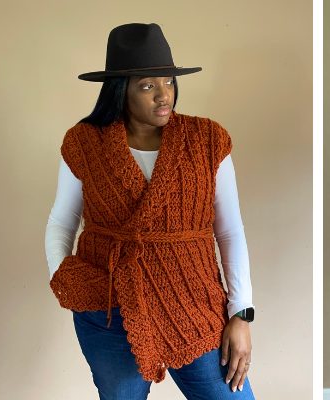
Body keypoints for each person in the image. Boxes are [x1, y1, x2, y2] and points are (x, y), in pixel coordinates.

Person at [44, 23, 256, 399]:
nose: (164, 96)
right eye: (147, 86)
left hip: (193, 303)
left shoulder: (207, 141)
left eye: (169, 82)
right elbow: (62, 220)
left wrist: (241, 312)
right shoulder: (84, 142)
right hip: (110, 307)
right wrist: (65, 275)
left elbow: (229, 231)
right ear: (120, 89)